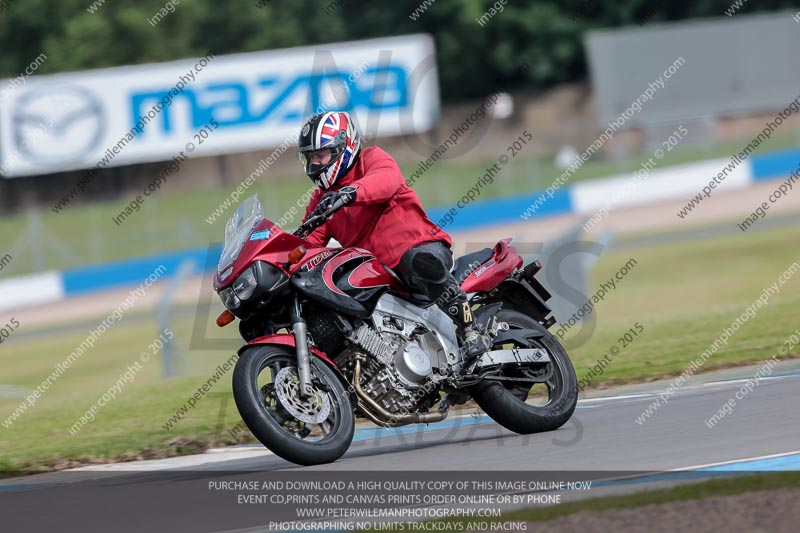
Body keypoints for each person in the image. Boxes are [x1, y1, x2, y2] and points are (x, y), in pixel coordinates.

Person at [297, 111, 490, 362]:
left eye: (321, 155)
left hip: (423, 248)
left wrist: (350, 192)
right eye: (311, 157)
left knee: (417, 261)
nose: (315, 164)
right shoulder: (321, 200)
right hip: (381, 276)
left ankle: (470, 328)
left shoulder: (371, 159)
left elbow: (386, 181)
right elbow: (308, 242)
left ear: (344, 147)